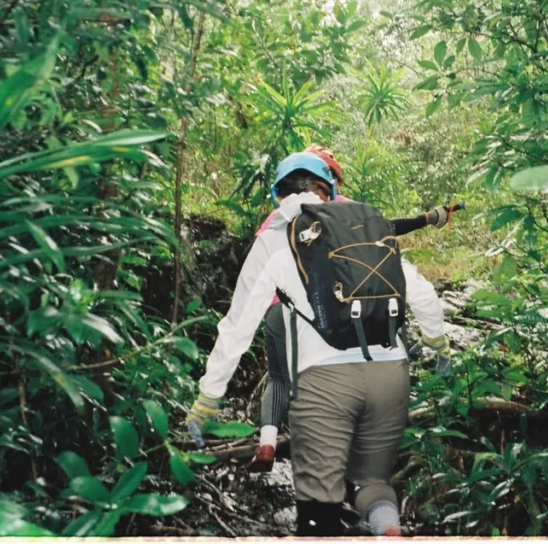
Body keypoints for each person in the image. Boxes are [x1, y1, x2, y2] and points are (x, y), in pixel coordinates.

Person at [185, 152, 451, 536]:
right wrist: (439, 349)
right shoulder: (366, 226)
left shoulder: (276, 235)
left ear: (279, 194)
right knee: (372, 485)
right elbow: (424, 296)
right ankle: (388, 528)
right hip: (391, 374)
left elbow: (238, 326)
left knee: (318, 507)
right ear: (331, 190)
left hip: (324, 382)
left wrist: (207, 399)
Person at [247, 145, 454, 474]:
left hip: (284, 312)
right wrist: (428, 219)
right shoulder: (345, 210)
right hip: (340, 309)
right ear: (329, 181)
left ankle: (268, 442)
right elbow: (386, 228)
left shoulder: (277, 217)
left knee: (279, 377)